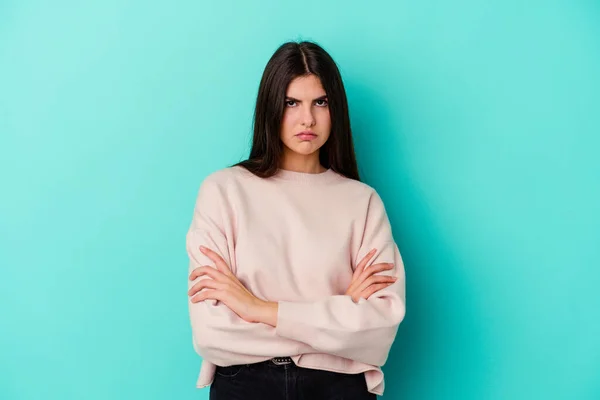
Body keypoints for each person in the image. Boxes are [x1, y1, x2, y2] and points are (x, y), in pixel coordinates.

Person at [185, 40, 406, 400]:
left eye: (320, 102)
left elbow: (379, 329)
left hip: (339, 389)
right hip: (245, 386)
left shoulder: (361, 202)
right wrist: (336, 320)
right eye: (292, 103)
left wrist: (257, 309)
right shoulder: (224, 191)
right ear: (271, 106)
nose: (308, 119)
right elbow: (212, 332)